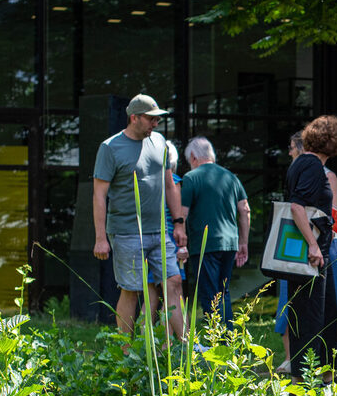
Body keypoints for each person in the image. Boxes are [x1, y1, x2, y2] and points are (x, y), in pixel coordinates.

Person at [92, 93, 186, 352]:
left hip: (160, 230)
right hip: (125, 232)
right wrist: (101, 237)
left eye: (158, 119)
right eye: (151, 118)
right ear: (134, 118)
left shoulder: (160, 142)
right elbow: (99, 194)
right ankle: (126, 352)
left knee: (174, 282)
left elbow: (170, 185)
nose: (156, 123)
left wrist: (178, 223)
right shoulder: (110, 147)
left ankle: (183, 345)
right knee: (131, 290)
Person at [275, 131, 337, 374]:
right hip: (307, 247)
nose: (289, 152)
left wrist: (322, 240)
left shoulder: (319, 172)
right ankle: (301, 370)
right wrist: (312, 242)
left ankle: (320, 374)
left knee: (322, 309)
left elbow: (335, 214)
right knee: (305, 311)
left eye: (291, 146)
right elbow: (297, 206)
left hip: (320, 246)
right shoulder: (305, 168)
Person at [179, 136, 249, 329]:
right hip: (229, 243)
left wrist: (181, 243)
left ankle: (218, 341)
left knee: (209, 294)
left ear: (193, 157)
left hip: (204, 245)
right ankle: (228, 338)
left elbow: (182, 214)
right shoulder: (231, 177)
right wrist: (243, 242)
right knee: (223, 292)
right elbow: (244, 210)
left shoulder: (191, 178)